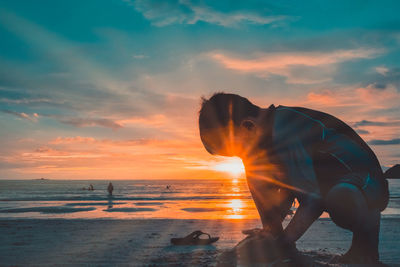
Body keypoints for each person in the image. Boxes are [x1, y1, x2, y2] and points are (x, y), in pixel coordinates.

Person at [199, 93, 392, 264]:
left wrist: (284, 244)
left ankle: (365, 246)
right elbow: (260, 186)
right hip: (323, 180)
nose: (243, 157)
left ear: (248, 125)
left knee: (341, 196)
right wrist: (270, 230)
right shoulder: (264, 137)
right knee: (257, 172)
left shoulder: (286, 129)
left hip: (365, 183)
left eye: (238, 151)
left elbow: (313, 200)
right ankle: (278, 239)